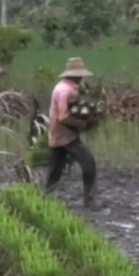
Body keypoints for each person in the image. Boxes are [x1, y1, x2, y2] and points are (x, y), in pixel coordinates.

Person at [45, 57, 98, 208]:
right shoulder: (65, 91)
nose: (81, 77)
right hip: (65, 134)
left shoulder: (62, 87)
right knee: (88, 162)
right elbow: (63, 116)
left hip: (56, 133)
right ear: (74, 75)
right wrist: (83, 123)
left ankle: (45, 197)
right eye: (80, 75)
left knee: (56, 169)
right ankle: (90, 199)